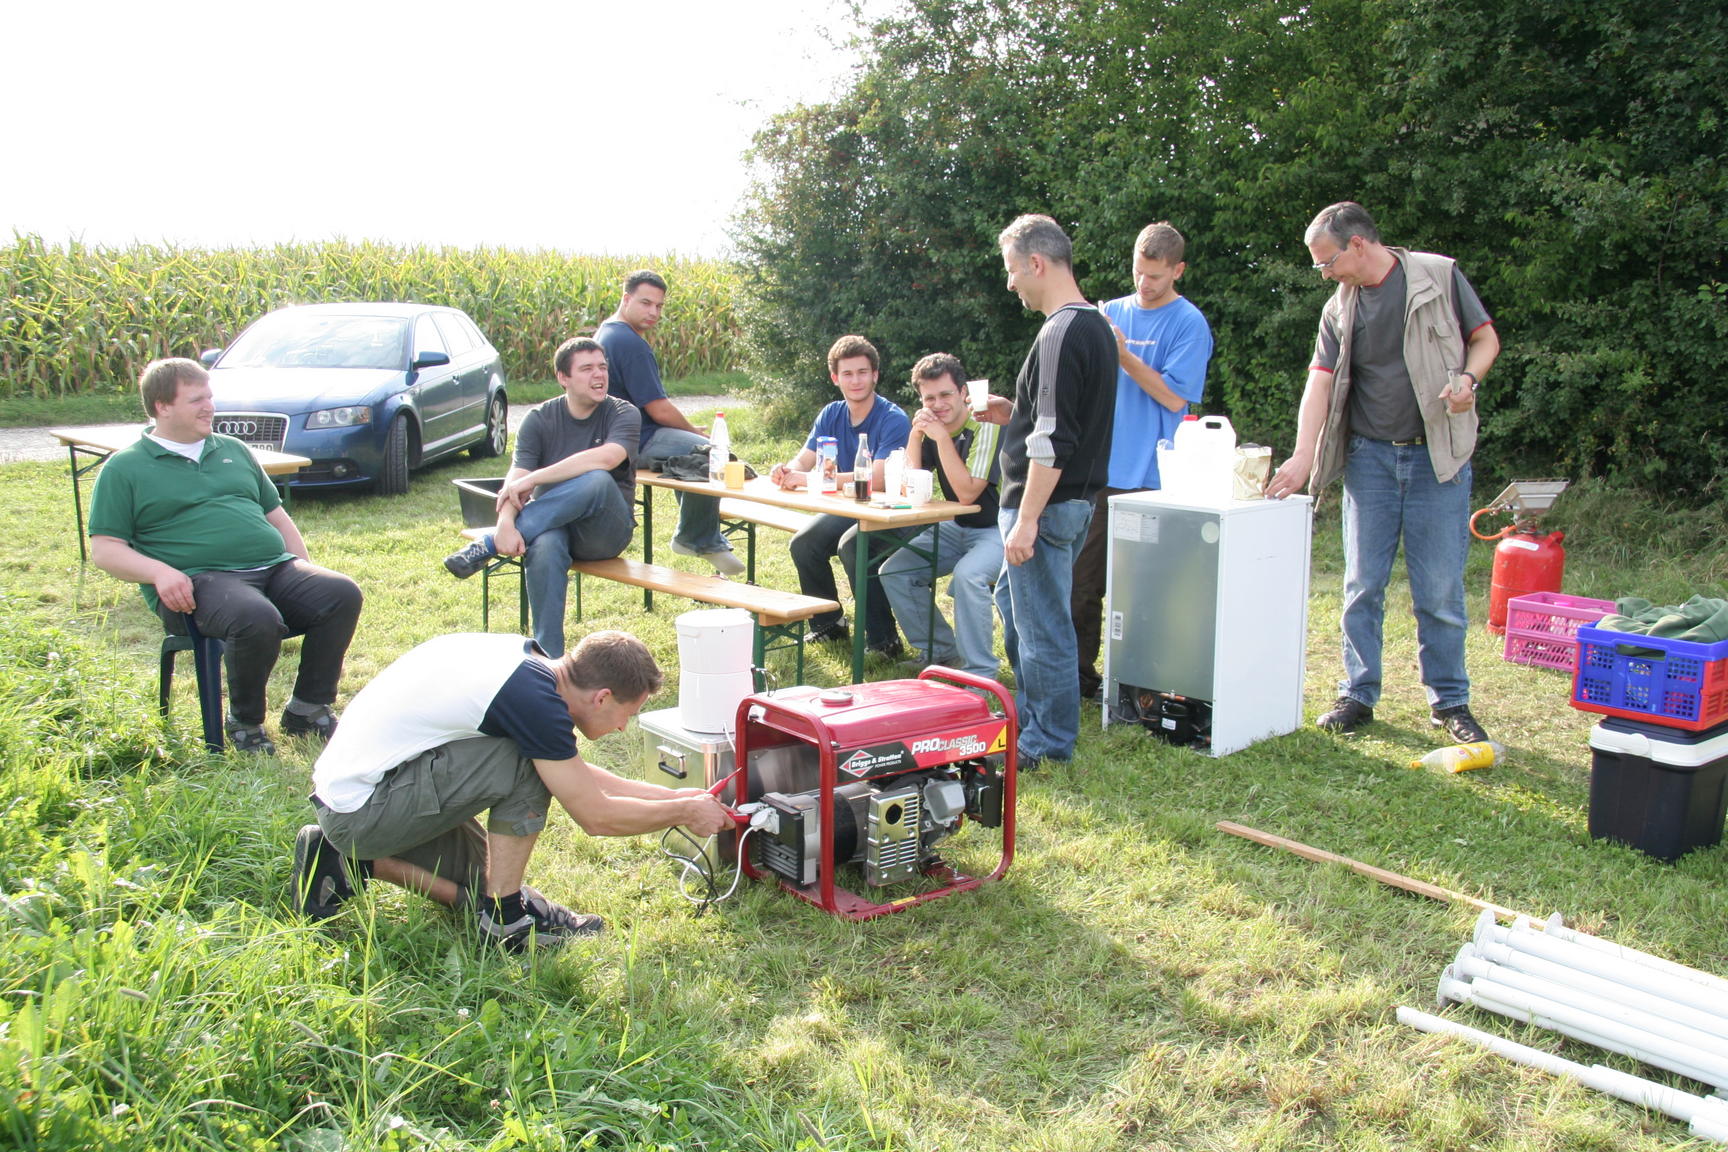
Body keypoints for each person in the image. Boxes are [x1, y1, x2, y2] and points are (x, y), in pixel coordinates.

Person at [294, 629, 732, 949]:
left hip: (365, 792)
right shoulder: (534, 702)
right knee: (523, 769)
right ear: (601, 697)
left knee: (484, 884)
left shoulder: (528, 666)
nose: (621, 728)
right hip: (363, 812)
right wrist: (683, 814)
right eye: (627, 715)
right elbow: (595, 816)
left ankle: (347, 861)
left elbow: (572, 772)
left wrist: (677, 797)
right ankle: (503, 922)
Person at [1265, 201, 1500, 743]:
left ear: (1358, 244)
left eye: (1326, 261)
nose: (1324, 274)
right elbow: (1320, 381)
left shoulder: (1439, 276)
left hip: (1436, 458)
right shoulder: (1338, 308)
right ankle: (1357, 693)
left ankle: (1450, 701)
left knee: (1439, 592)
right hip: (1369, 460)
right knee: (1361, 587)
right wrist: (1303, 455)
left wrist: (1468, 381)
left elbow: (1486, 339)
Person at [88, 357, 363, 755]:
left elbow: (276, 517)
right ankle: (245, 723)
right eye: (196, 400)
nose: (209, 407)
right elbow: (105, 549)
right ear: (162, 406)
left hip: (272, 568)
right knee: (255, 617)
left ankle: (307, 710)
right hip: (196, 583)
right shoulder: (125, 468)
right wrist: (160, 573)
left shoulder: (233, 450)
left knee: (340, 593)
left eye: (210, 397)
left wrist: (302, 566)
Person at [980, 215, 1116, 767]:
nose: (1010, 282)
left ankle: (1047, 742)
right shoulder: (1094, 325)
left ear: (1036, 263)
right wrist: (1015, 415)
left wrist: (1027, 519)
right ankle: (1035, 715)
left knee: (1042, 629)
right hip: (1067, 499)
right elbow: (1062, 421)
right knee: (1015, 606)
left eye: (1012, 270)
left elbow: (1055, 439)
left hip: (1048, 505)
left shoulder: (1060, 332)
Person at [1070, 222, 1214, 700]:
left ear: (1178, 271)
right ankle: (1080, 678)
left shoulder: (1188, 323)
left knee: (1143, 590)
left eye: (1155, 276)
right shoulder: (1109, 313)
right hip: (1099, 473)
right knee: (1082, 582)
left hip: (1154, 477)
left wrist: (1124, 356)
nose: (1144, 284)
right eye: (1138, 272)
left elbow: (1174, 397)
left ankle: (1138, 684)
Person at [443, 337, 639, 658]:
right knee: (545, 545)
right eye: (587, 368)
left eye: (602, 367)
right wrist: (505, 524)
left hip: (603, 533)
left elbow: (607, 458)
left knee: (597, 479)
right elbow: (516, 480)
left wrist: (535, 479)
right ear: (563, 377)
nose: (598, 375)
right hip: (552, 527)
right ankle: (548, 660)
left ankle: (487, 545)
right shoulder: (539, 418)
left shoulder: (622, 412)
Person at [768, 335, 911, 657]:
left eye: (862, 372)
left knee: (853, 546)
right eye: (847, 373)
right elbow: (804, 459)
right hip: (848, 508)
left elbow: (878, 478)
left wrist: (813, 479)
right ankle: (828, 625)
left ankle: (884, 641)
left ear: (875, 375)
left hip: (890, 511)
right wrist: (786, 471)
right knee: (804, 544)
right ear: (835, 378)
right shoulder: (831, 413)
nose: (855, 380)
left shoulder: (893, 418)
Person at [596, 270, 743, 576]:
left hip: (617, 441)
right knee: (713, 454)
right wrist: (693, 432)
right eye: (646, 303)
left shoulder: (605, 333)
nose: (654, 312)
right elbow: (659, 409)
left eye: (659, 306)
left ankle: (701, 535)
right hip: (637, 441)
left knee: (691, 453)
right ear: (626, 299)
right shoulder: (629, 343)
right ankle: (696, 538)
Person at [878, 353, 1004, 681]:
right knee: (895, 572)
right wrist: (916, 435)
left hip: (1000, 528)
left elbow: (967, 493)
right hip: (956, 525)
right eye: (929, 398)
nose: (938, 405)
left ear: (963, 392)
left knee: (968, 577)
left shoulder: (985, 424)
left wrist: (941, 438)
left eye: (945, 395)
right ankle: (942, 653)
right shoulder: (933, 429)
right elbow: (908, 486)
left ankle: (979, 674)